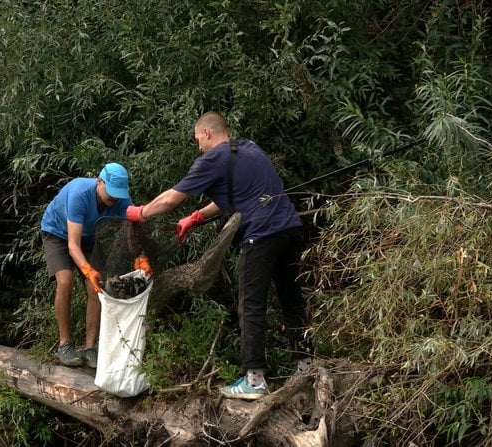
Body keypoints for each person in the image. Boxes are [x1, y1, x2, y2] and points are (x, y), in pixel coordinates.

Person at [125, 112, 312, 399]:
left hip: (260, 235)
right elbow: (237, 195)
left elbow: (171, 198)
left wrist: (140, 212)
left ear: (207, 133)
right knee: (291, 298)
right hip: (289, 230)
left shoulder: (212, 158)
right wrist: (197, 216)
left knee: (250, 304)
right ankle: (305, 366)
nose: (197, 145)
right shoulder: (248, 147)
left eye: (197, 138)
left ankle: (255, 380)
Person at [40, 162, 131, 368]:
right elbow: (73, 246)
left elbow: (130, 230)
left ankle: (90, 348)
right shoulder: (80, 193)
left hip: (89, 238)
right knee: (65, 280)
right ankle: (64, 345)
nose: (114, 198)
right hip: (57, 233)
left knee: (95, 287)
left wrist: (139, 256)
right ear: (99, 182)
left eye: (118, 194)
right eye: (111, 192)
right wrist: (88, 270)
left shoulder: (122, 200)